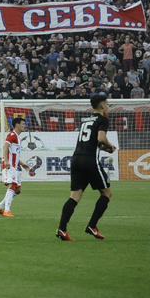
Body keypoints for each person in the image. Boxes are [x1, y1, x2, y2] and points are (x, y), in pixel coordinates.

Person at [57, 93, 117, 241]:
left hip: (76, 159)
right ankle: (92, 226)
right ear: (102, 105)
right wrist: (110, 146)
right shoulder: (102, 119)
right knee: (107, 193)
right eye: (106, 103)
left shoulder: (86, 120)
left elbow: (90, 142)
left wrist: (105, 149)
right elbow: (101, 138)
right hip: (90, 161)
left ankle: (62, 229)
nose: (107, 106)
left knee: (74, 196)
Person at [0, 118, 34, 217]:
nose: (24, 126)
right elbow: (5, 147)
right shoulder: (12, 135)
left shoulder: (17, 138)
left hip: (14, 166)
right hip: (9, 165)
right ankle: (7, 210)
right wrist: (6, 160)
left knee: (17, 190)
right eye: (23, 124)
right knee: (12, 185)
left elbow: (14, 154)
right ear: (17, 125)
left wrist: (22, 164)